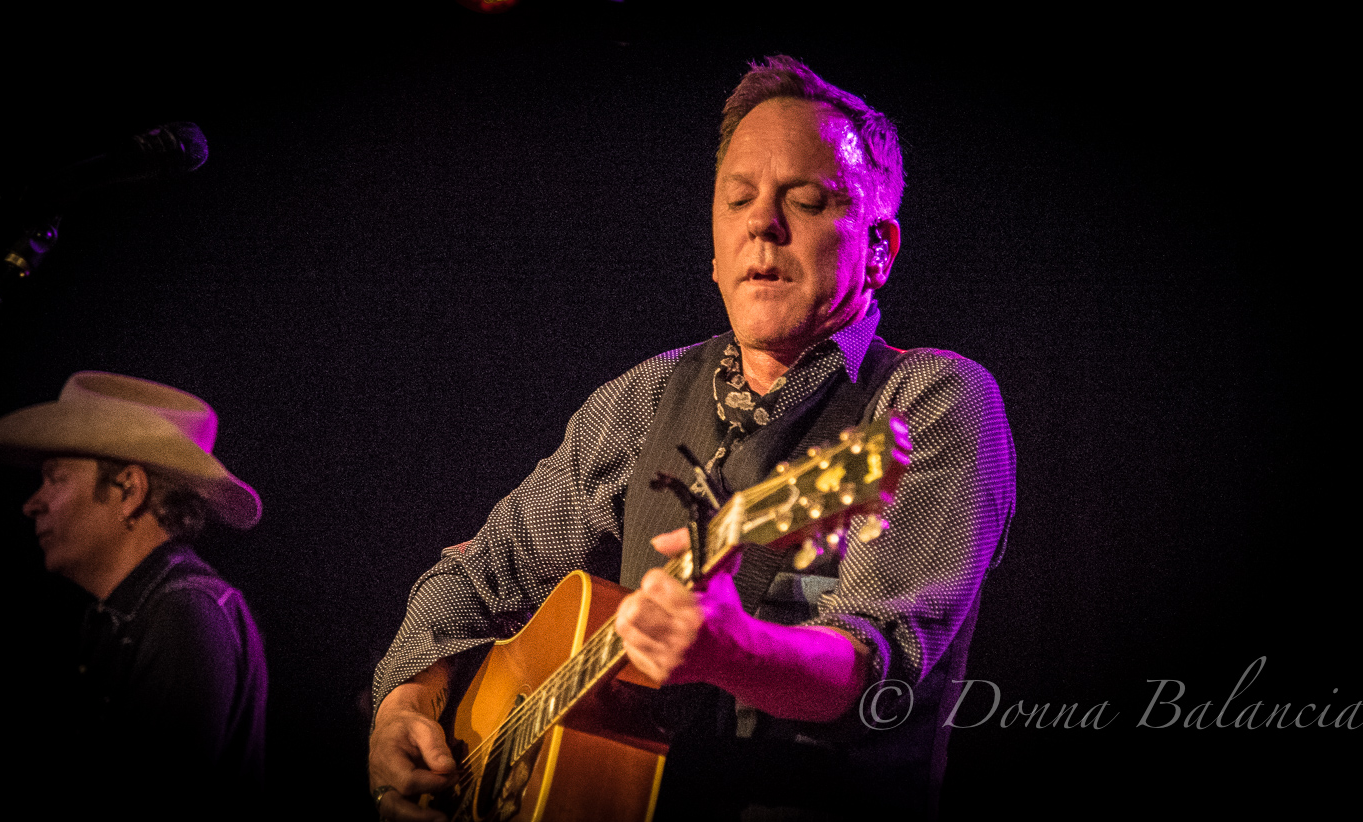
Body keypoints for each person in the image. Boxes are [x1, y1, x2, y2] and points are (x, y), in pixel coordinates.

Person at [369, 56, 1016, 820]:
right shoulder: (643, 397)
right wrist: (405, 704)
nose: (761, 224)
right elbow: (474, 577)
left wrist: (726, 651)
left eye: (806, 200)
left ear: (879, 249)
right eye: (738, 199)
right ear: (714, 248)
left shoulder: (928, 399)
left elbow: (874, 663)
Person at [0, 371, 268, 816]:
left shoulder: (184, 614)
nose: (33, 502)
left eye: (56, 479)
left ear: (129, 489)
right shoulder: (137, 610)